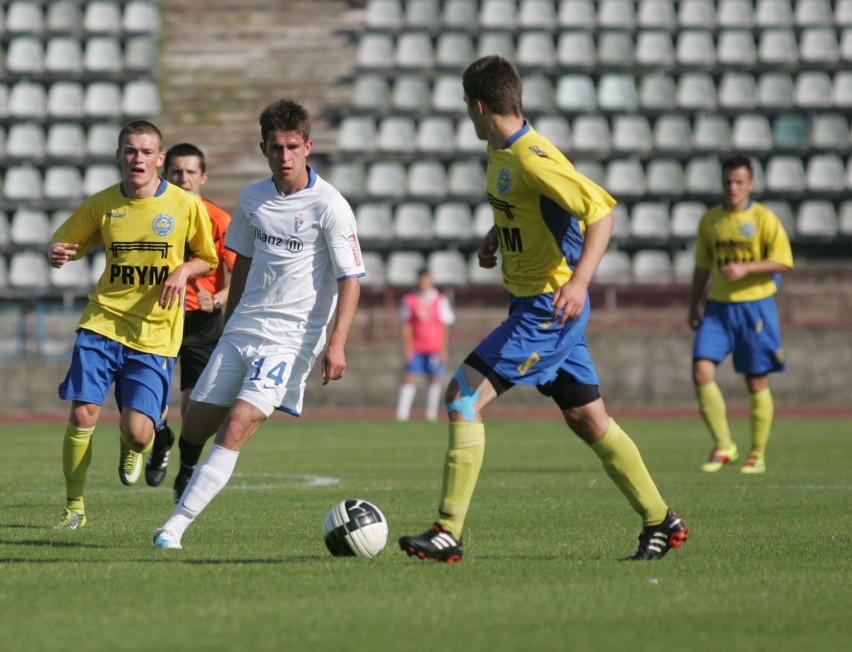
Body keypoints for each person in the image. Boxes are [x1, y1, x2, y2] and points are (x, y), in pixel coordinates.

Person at [398, 56, 688, 563]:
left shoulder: (531, 156)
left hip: (547, 312)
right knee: (588, 419)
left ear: (479, 105)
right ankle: (662, 520)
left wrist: (579, 283)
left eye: (467, 107)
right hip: (538, 306)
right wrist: (497, 237)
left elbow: (601, 215)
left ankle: (448, 531)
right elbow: (529, 210)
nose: (467, 116)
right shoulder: (501, 152)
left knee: (462, 397)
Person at [152, 98, 365, 549]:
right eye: (275, 148)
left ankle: (175, 527)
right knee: (194, 425)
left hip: (290, 341)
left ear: (308, 146)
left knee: (237, 426)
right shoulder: (252, 199)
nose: (284, 156)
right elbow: (242, 265)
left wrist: (336, 344)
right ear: (263, 149)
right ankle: (186, 464)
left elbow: (350, 280)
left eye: (292, 147)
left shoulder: (330, 205)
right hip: (242, 329)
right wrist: (229, 326)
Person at [49, 120, 219, 530]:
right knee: (84, 413)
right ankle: (74, 507)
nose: (137, 159)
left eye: (146, 152)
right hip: (103, 322)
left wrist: (183, 270)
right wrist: (59, 253)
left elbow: (208, 259)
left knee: (139, 433)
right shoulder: (103, 204)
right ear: (118, 155)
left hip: (156, 333)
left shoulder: (184, 204)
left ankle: (134, 442)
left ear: (160, 158)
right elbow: (66, 241)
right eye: (130, 151)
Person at [688, 155, 794, 475]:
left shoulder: (764, 219)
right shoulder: (711, 221)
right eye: (728, 182)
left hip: (755, 306)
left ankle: (757, 453)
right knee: (701, 371)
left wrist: (747, 267)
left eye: (739, 182)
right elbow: (702, 265)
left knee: (755, 380)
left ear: (751, 184)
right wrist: (695, 303)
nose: (733, 188)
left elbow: (783, 261)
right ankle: (724, 445)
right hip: (718, 307)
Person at [145, 143, 237, 490]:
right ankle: (160, 438)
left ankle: (185, 470)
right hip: (157, 317)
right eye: (176, 172)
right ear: (165, 175)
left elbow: (241, 274)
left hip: (202, 323)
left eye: (190, 173)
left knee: (195, 403)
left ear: (203, 177)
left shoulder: (219, 220)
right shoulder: (152, 216)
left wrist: (217, 299)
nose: (183, 179)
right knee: (149, 396)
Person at [395, 269, 456, 422]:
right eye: (422, 280)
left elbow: (445, 325)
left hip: (434, 347)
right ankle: (402, 414)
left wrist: (443, 349)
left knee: (434, 378)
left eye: (427, 280)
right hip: (416, 347)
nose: (424, 283)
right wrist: (406, 348)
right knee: (409, 378)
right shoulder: (409, 299)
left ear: (431, 281)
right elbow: (406, 325)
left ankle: (431, 413)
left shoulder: (440, 299)